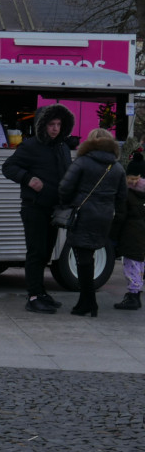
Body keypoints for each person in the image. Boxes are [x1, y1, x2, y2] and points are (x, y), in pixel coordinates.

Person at [2, 104, 75, 314]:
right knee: (36, 253)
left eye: (59, 124)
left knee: (46, 253)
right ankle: (33, 296)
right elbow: (8, 167)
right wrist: (28, 178)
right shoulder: (30, 146)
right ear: (42, 125)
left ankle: (41, 292)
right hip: (34, 208)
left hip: (55, 209)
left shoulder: (62, 147)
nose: (55, 128)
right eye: (51, 124)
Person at [58, 127, 127, 317]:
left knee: (83, 258)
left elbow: (65, 187)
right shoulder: (117, 167)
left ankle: (88, 303)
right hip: (104, 216)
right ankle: (87, 302)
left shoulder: (82, 162)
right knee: (89, 256)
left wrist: (68, 204)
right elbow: (122, 197)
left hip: (84, 214)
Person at [111, 152, 145, 310]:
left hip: (131, 236)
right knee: (140, 266)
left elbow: (120, 217)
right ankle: (135, 294)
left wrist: (113, 235)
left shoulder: (127, 194)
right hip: (141, 238)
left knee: (131, 266)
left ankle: (133, 296)